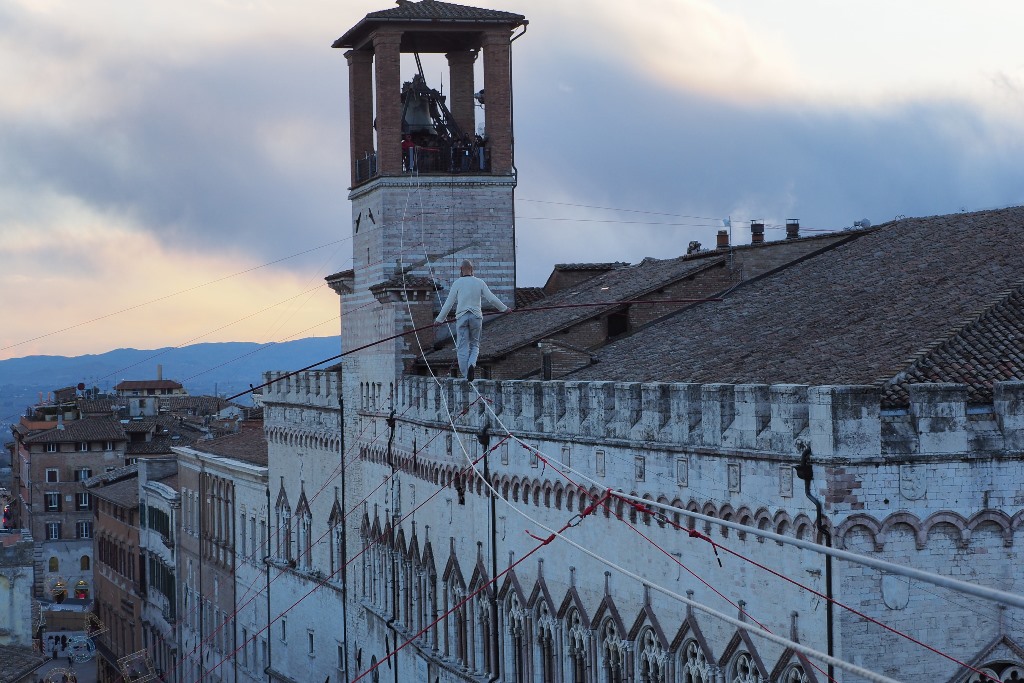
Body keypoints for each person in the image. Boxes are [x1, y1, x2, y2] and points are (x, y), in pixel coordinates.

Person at [435, 260, 508, 380]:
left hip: (462, 317)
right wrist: (504, 309)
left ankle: (465, 375)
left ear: (461, 269)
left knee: (462, 347)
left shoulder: (457, 283)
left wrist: (439, 320)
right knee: (475, 345)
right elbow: (491, 298)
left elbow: (449, 304)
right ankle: (471, 365)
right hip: (476, 317)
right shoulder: (480, 282)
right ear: (472, 269)